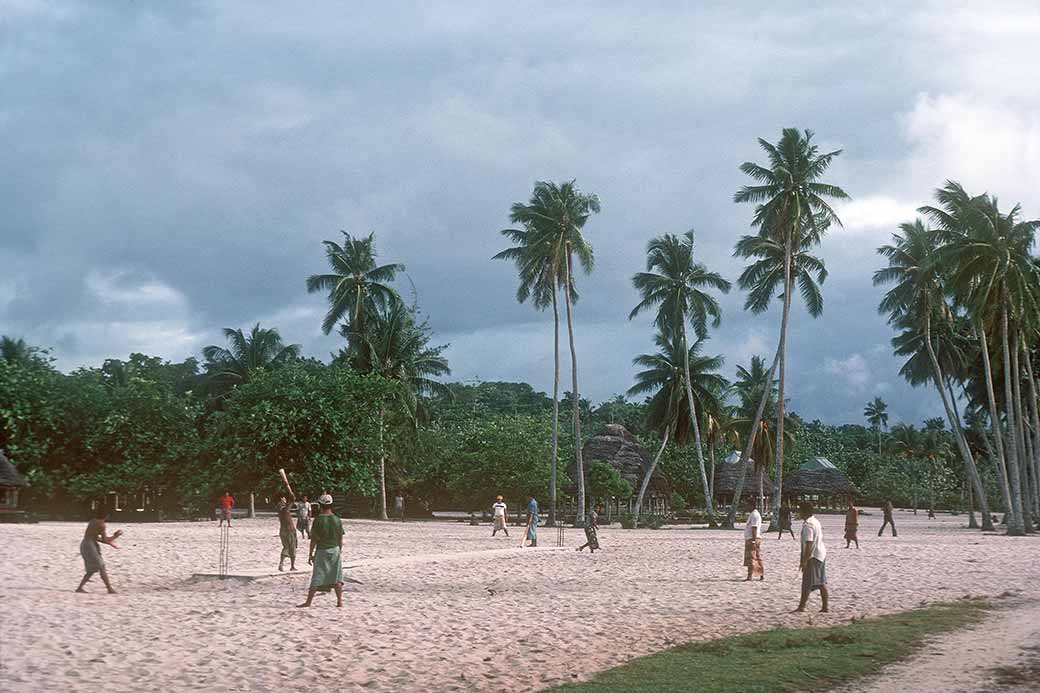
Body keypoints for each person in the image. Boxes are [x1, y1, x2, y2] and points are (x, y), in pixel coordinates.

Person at [298, 495, 345, 608]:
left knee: (317, 576)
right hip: (335, 549)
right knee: (337, 576)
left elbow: (314, 540)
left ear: (320, 505)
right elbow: (340, 538)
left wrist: (310, 554)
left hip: (322, 550)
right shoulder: (336, 519)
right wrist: (339, 550)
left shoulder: (318, 520)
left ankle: (308, 602)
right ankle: (339, 602)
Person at [76, 508, 123, 594]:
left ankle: (80, 588)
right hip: (90, 546)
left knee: (93, 569)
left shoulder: (93, 521)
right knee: (101, 566)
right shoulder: (101, 524)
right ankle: (109, 589)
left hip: (86, 544)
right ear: (107, 516)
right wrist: (116, 536)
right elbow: (105, 540)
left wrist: (111, 539)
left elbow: (95, 537)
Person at [795, 501, 829, 613]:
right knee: (820, 582)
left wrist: (804, 561)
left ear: (804, 512)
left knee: (807, 583)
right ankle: (825, 607)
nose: (798, 512)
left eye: (799, 510)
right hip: (820, 554)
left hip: (813, 556)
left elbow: (809, 544)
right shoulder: (815, 521)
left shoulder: (808, 525)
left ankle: (801, 606)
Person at [744, 500, 764, 581]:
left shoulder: (754, 515)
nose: (746, 507)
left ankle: (750, 576)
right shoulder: (753, 514)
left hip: (753, 538)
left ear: (751, 505)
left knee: (751, 558)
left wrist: (753, 540)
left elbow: (754, 528)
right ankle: (761, 574)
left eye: (747, 505)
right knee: (756, 557)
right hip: (752, 538)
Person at [277, 493, 298, 572]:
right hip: (289, 531)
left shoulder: (279, 509)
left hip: (283, 531)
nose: (284, 499)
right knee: (292, 548)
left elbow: (288, 506)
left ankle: (282, 563)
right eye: (283, 498)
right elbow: (287, 507)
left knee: (286, 547)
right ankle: (292, 566)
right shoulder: (283, 509)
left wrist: (291, 500)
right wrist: (292, 500)